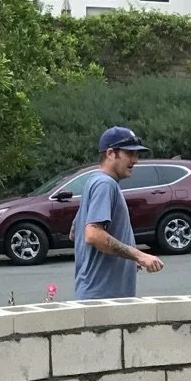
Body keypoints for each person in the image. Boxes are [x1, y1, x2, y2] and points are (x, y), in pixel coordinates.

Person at [72, 127, 165, 299]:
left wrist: (124, 259)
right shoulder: (105, 184)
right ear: (110, 153)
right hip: (103, 298)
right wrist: (139, 255)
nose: (135, 160)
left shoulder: (94, 181)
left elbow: (74, 231)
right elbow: (93, 235)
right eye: (129, 153)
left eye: (137, 155)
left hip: (97, 293)